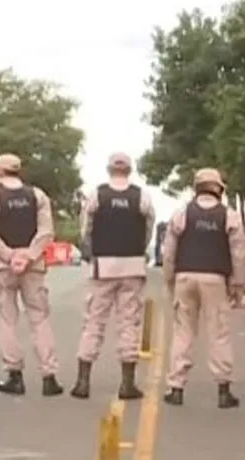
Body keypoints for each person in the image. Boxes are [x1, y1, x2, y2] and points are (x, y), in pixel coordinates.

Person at [0, 153, 63, 396]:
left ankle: (15, 375)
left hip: (4, 267)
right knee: (40, 318)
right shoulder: (37, 195)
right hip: (33, 267)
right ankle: (49, 376)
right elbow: (46, 231)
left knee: (6, 320)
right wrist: (29, 255)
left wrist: (8, 254)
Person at [70, 152, 155, 400]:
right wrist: (139, 250)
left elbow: (86, 226)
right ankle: (127, 384)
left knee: (94, 321)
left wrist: (91, 249)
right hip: (133, 265)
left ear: (109, 169)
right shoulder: (142, 196)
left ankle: (83, 381)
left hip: (103, 265)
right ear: (130, 169)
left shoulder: (97, 194)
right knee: (129, 323)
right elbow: (149, 228)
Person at [161, 168, 245, 407]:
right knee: (219, 333)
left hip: (185, 277)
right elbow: (238, 254)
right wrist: (238, 285)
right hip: (215, 279)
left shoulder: (182, 214)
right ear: (218, 188)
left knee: (183, 332)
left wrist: (169, 279)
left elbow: (168, 252)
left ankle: (176, 388)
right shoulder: (229, 216)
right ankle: (223, 389)